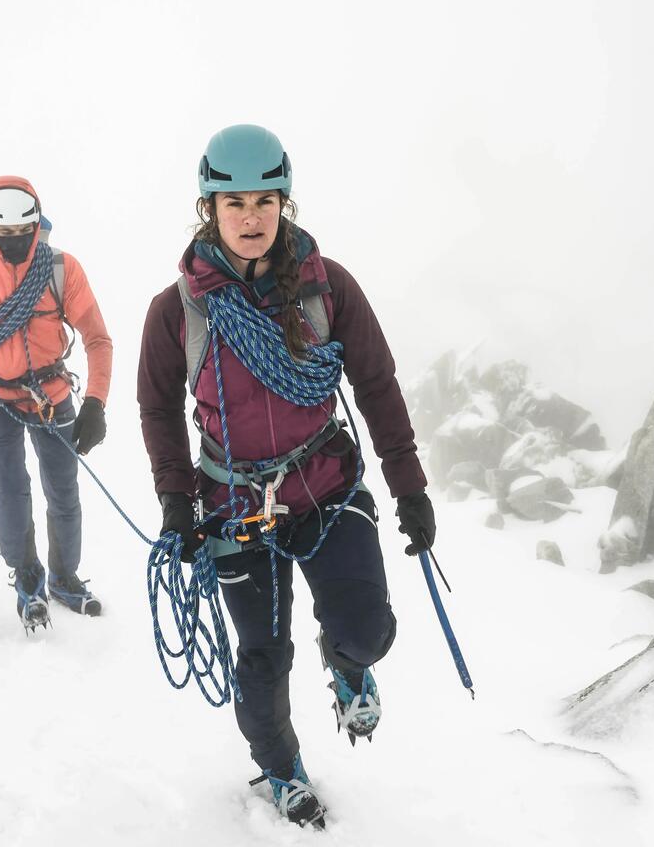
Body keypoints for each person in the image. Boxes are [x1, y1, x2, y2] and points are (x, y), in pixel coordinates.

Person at [137, 125, 435, 827]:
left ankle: (348, 663)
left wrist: (410, 485)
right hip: (234, 505)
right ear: (209, 208)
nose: (249, 217)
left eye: (263, 202)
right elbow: (158, 410)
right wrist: (176, 505)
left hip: (325, 486)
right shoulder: (177, 311)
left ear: (284, 204)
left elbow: (377, 385)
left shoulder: (328, 289)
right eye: (233, 202)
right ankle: (281, 772)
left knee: (369, 629)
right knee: (263, 661)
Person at [0, 176, 113, 630]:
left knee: (63, 490)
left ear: (37, 226)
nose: (14, 242)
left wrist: (95, 403)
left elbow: (97, 338)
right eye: (4, 234)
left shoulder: (60, 270)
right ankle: (28, 577)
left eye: (22, 233)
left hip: (50, 394)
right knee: (10, 489)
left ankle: (64, 578)